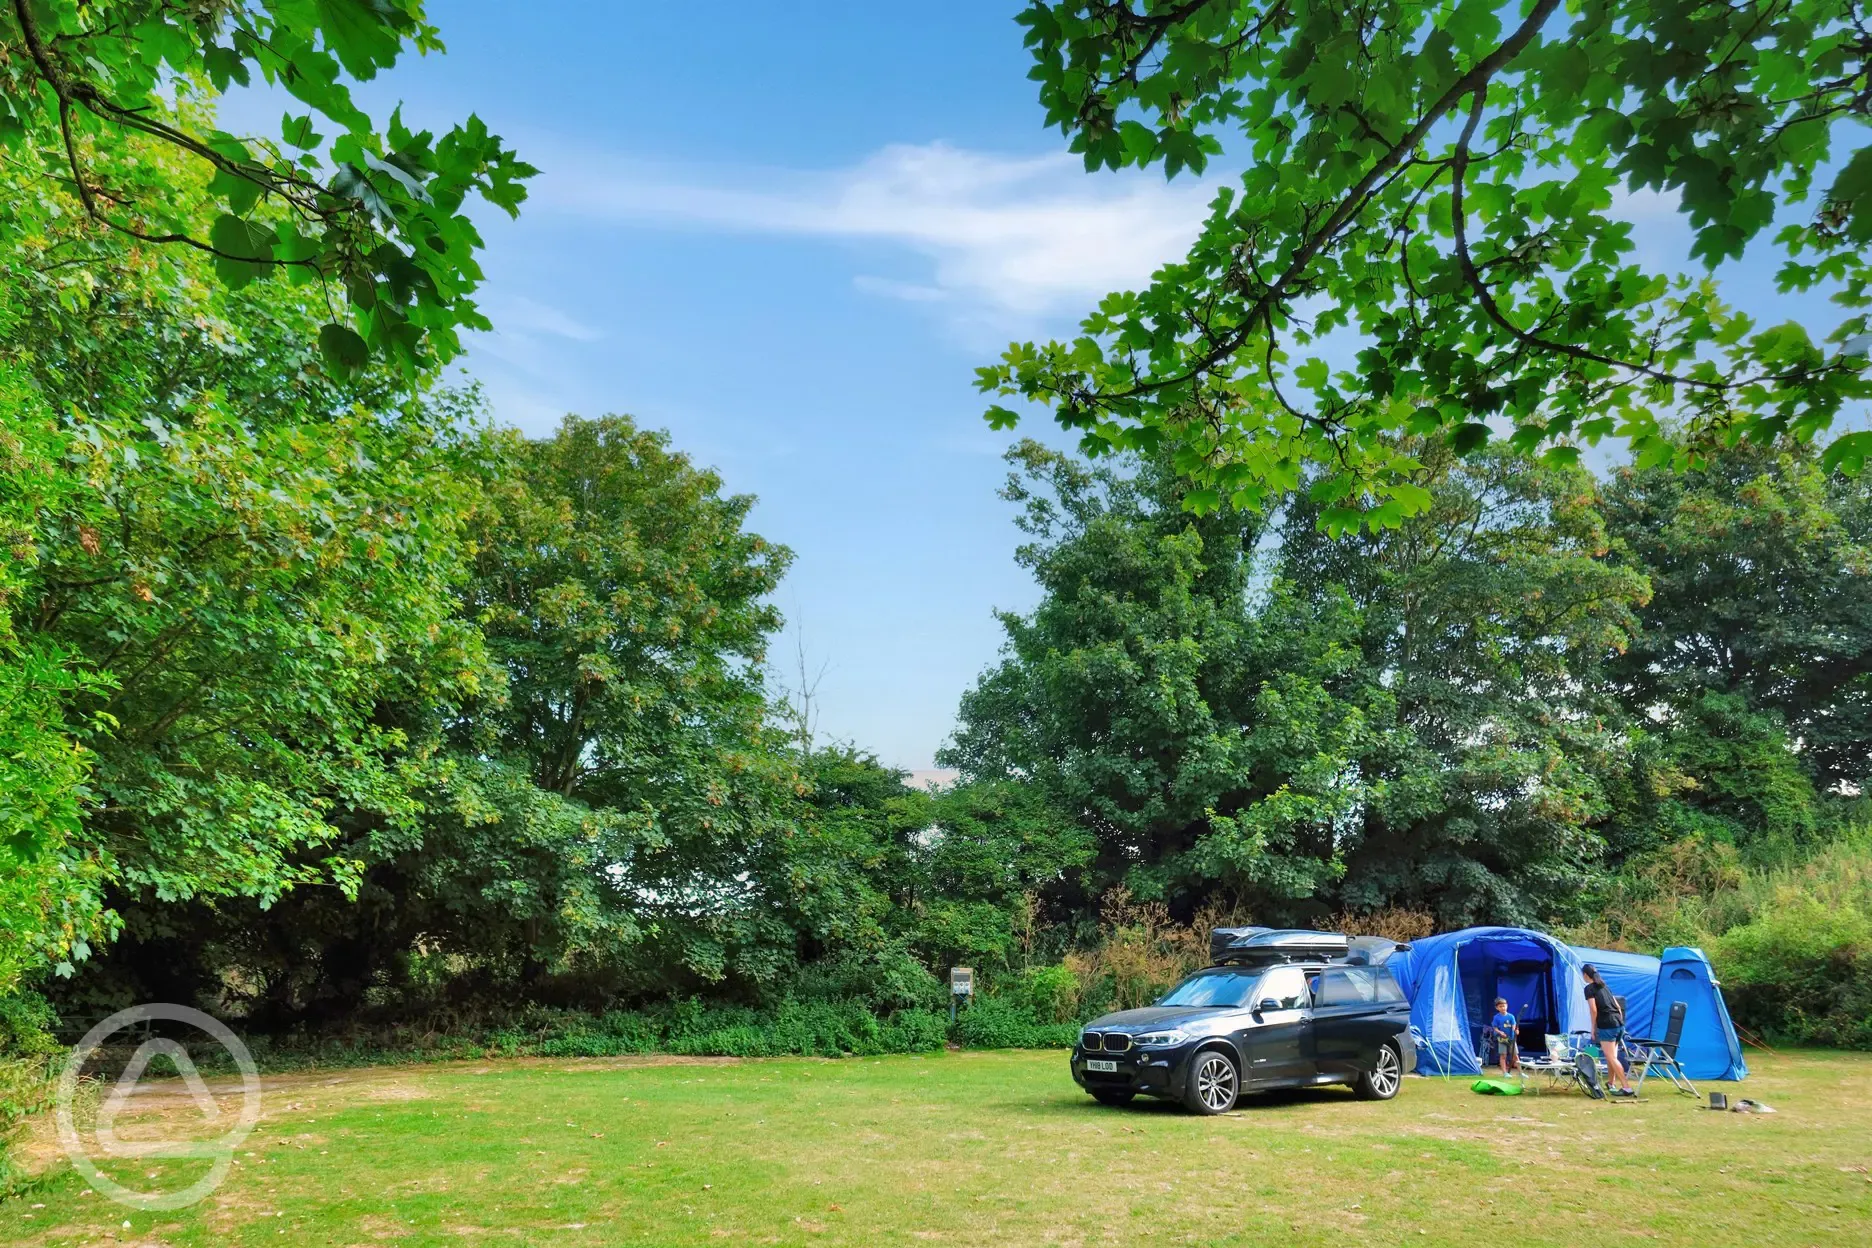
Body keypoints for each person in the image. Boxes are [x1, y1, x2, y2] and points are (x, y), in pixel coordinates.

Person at [1581, 964, 1635, 1097]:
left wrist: (1593, 1028)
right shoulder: (1604, 986)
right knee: (1612, 1056)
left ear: (1586, 975)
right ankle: (1611, 1083)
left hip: (1606, 1024)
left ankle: (1626, 1087)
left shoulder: (1589, 989)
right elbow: (1617, 1006)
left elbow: (1593, 1010)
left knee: (1610, 1057)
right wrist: (1620, 1022)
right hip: (1618, 1023)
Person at [1488, 997, 1520, 1075]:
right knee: (1503, 1056)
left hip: (1511, 1039)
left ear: (1507, 1006)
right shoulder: (1496, 1017)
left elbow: (1514, 1025)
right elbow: (1495, 1028)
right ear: (1497, 1008)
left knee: (1515, 1056)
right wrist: (1500, 1032)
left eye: (1504, 1006)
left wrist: (1516, 1030)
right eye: (1500, 1006)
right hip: (1502, 1039)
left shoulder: (1511, 1016)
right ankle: (1505, 1073)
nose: (1503, 1008)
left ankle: (1520, 1072)